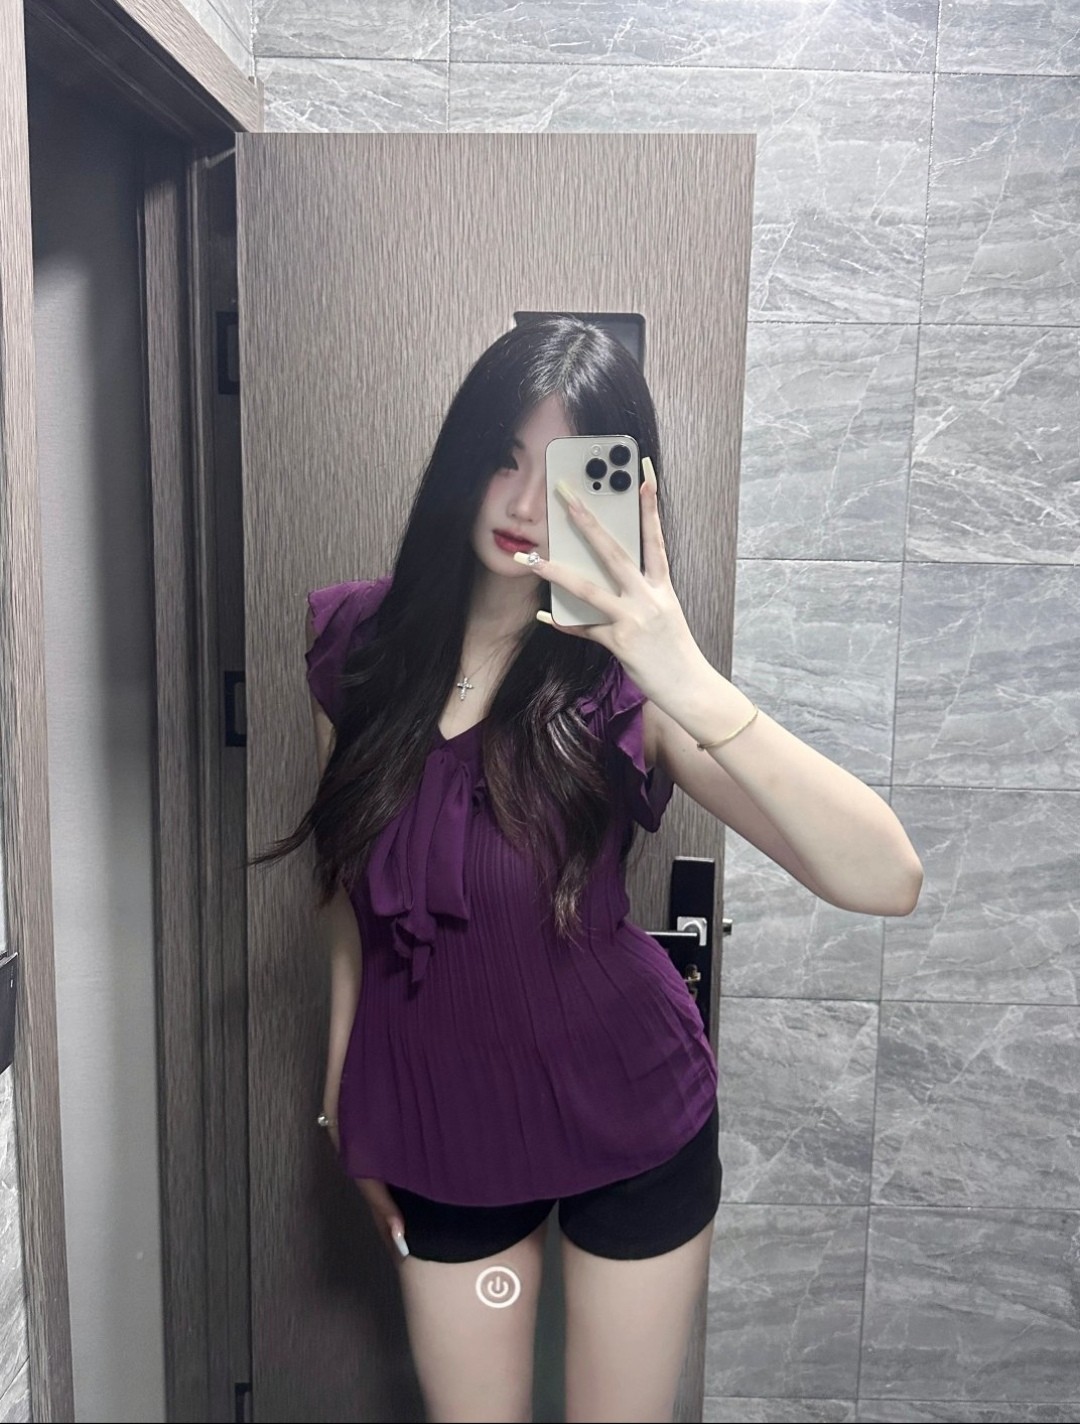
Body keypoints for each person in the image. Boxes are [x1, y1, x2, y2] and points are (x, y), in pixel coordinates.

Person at [254, 316, 923, 1423]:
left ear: (614, 489)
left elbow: (884, 877)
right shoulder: (354, 647)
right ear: (460, 458)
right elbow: (346, 891)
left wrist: (682, 670)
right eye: (502, 456)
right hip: (439, 1116)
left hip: (634, 1114)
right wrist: (343, 1086)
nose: (524, 502)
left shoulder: (628, 683)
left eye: (563, 470)